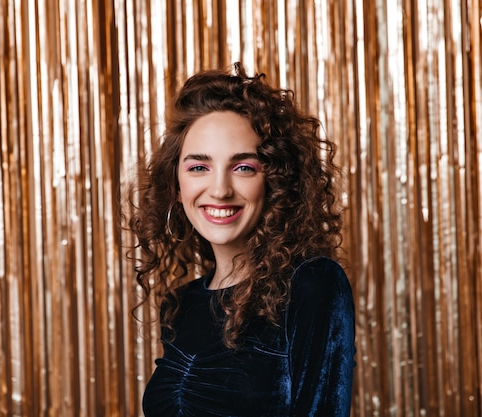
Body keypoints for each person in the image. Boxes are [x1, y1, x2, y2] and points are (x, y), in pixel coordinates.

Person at [129, 63, 355, 416]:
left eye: (243, 167)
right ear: (176, 184)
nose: (219, 189)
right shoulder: (180, 305)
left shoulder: (313, 285)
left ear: (275, 182)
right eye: (199, 167)